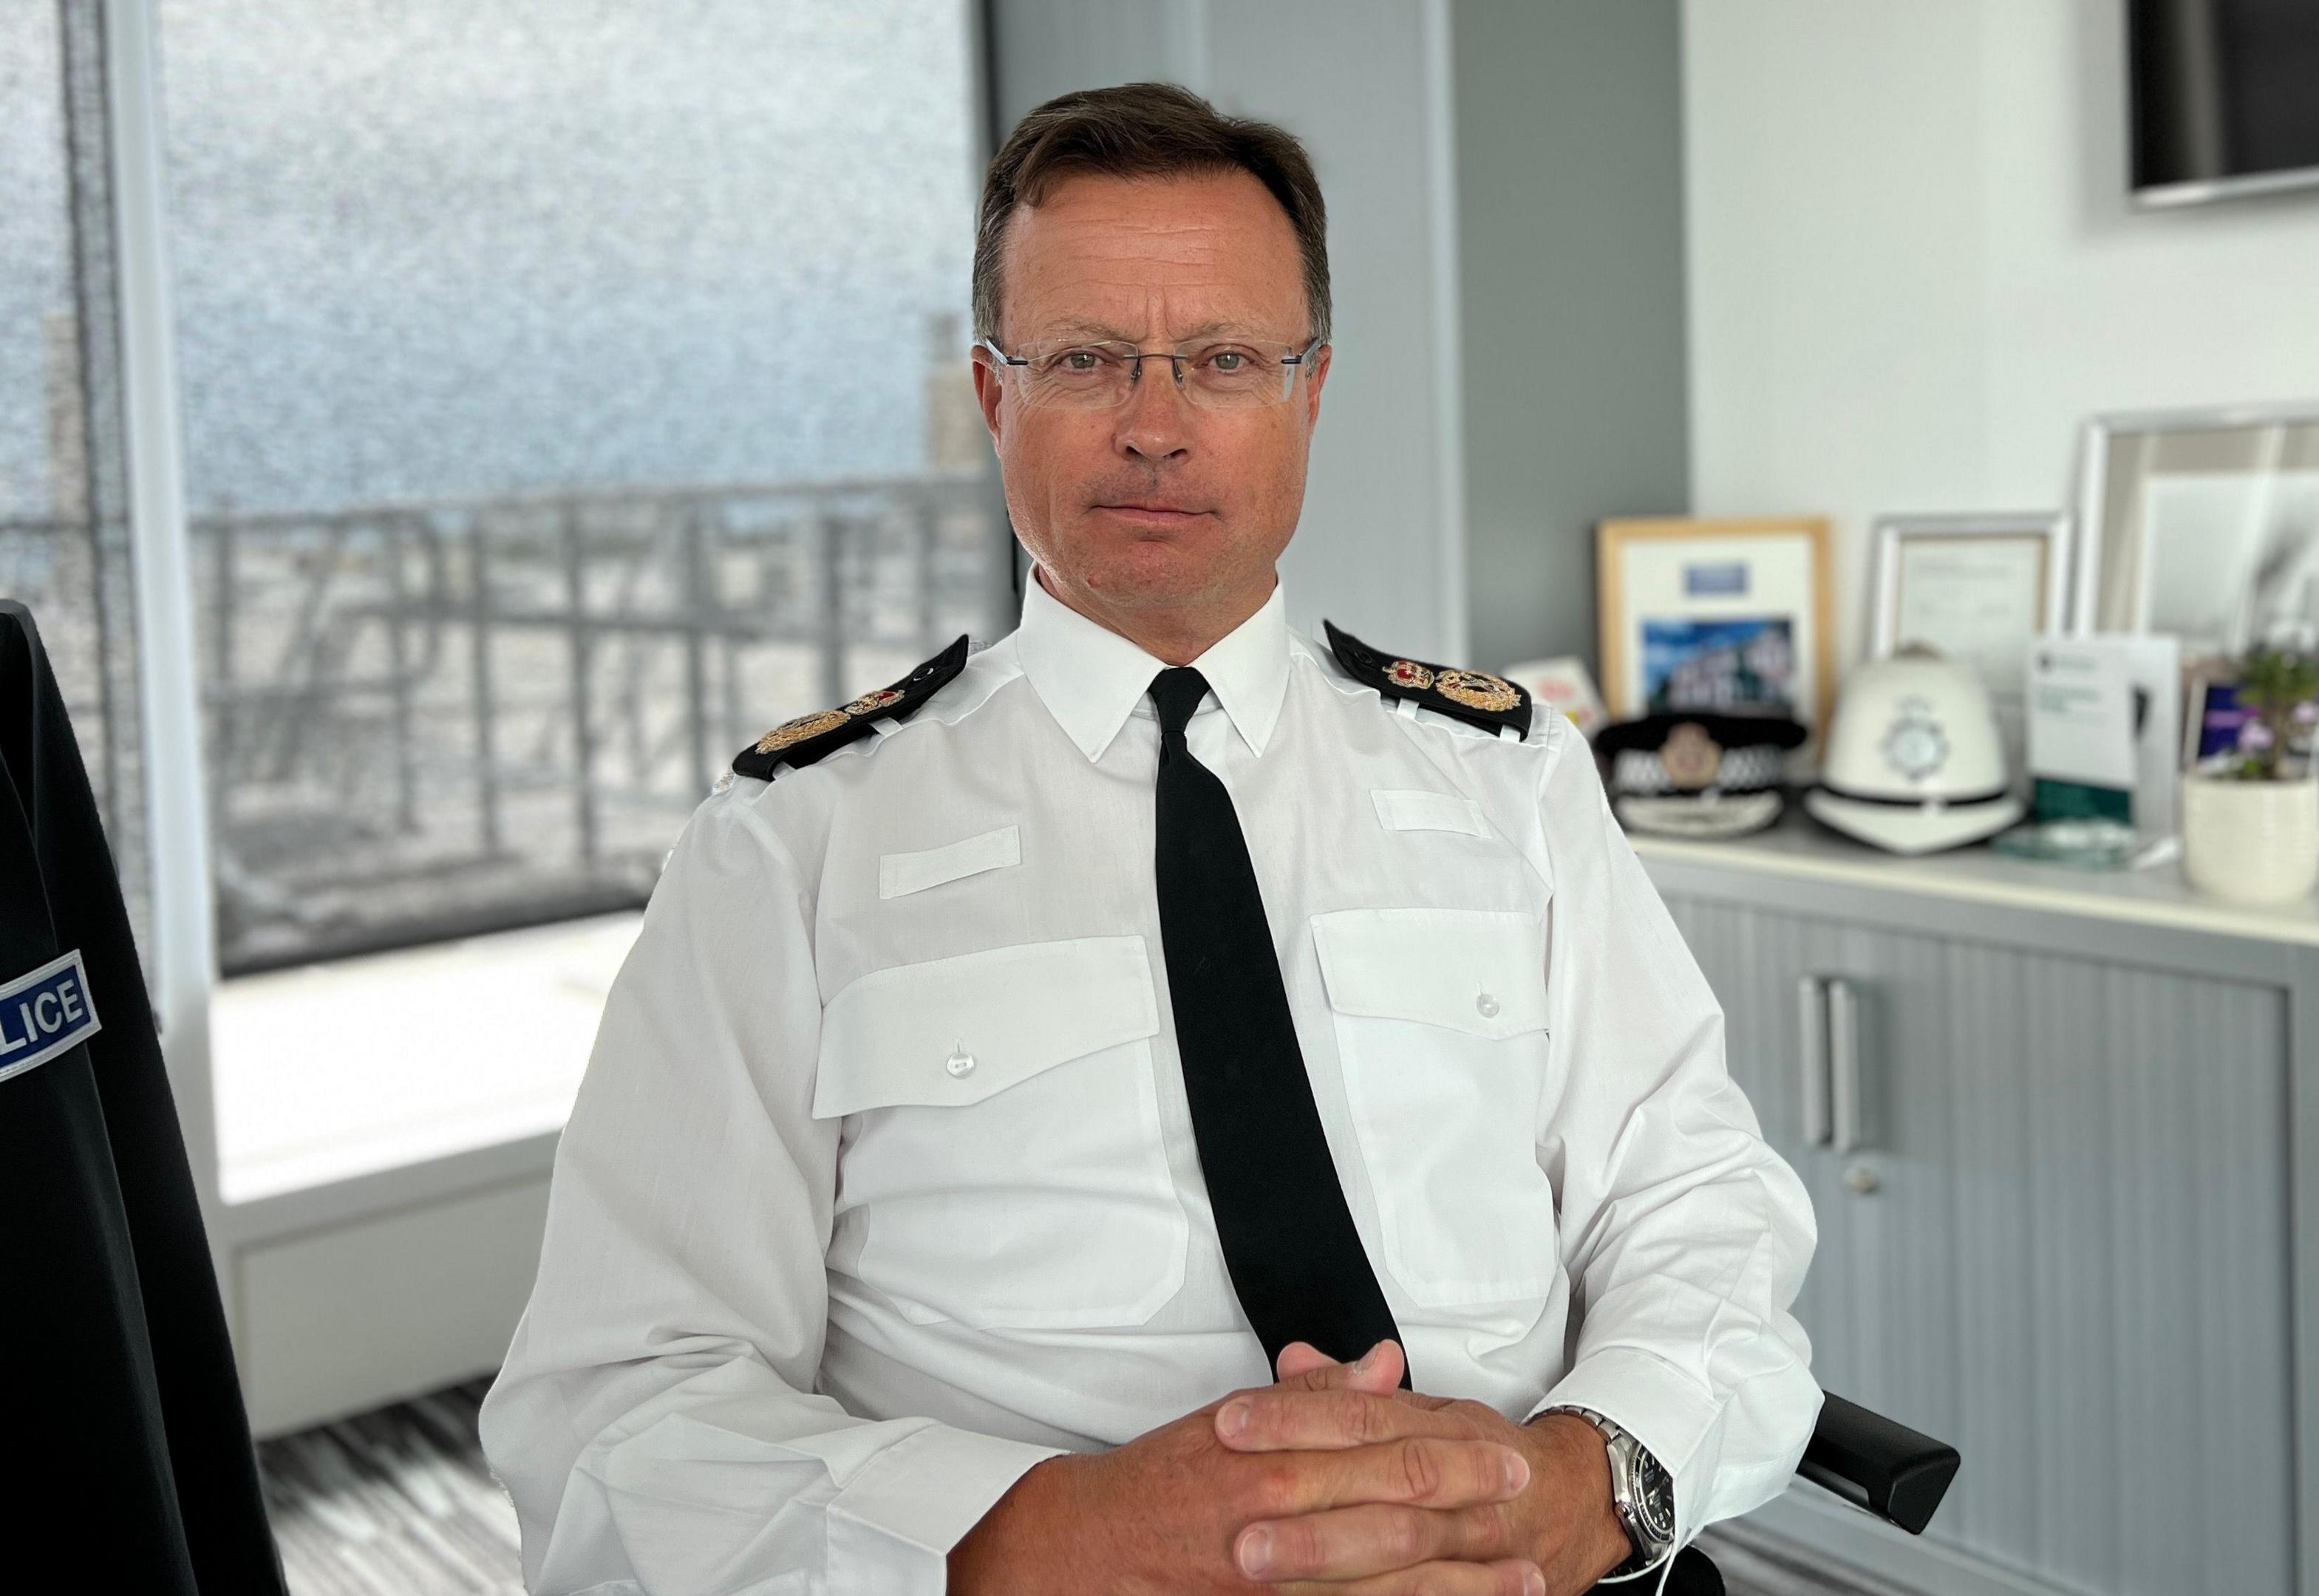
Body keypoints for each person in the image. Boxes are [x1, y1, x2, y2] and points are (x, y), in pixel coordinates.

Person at [480, 82, 1818, 1596]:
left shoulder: (1507, 779)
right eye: (1086, 360)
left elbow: (1693, 1198)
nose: (1155, 427)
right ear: (996, 397)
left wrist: (1595, 1477)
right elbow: (611, 1411)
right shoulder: (793, 840)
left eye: (1226, 361)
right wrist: (1032, 1537)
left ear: (1311, 393)